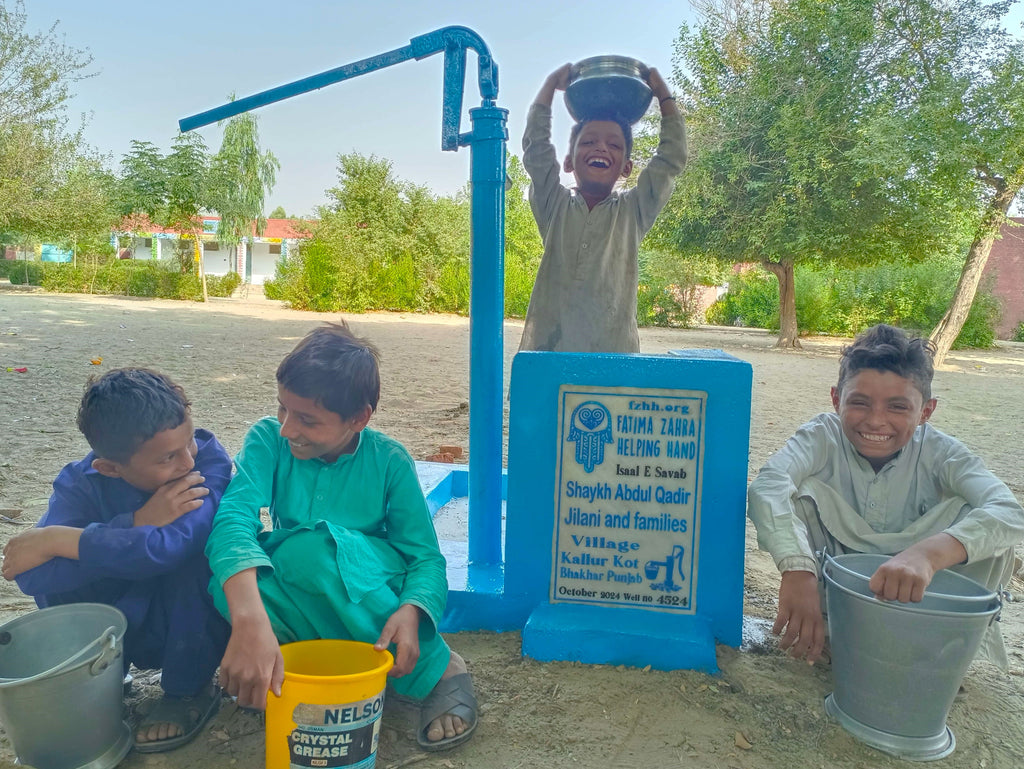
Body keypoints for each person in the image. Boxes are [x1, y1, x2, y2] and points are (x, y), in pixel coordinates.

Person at [206, 322, 478, 751]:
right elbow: (233, 521)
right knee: (228, 585)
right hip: (302, 571)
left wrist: (411, 611)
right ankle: (304, 669)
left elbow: (425, 558)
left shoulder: (389, 462)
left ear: (359, 418)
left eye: (307, 419)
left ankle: (441, 667)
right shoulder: (267, 440)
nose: (286, 429)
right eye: (282, 409)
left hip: (369, 581)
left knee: (312, 553)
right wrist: (249, 620)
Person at [747, 324, 1024, 666]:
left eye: (897, 407)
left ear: (926, 411)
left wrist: (927, 555)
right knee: (797, 492)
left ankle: (938, 650)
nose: (876, 421)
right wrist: (797, 568)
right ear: (836, 400)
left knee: (987, 528)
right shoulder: (821, 437)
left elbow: (1008, 512)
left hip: (921, 592)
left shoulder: (943, 453)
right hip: (838, 581)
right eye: (860, 403)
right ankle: (831, 634)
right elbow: (769, 484)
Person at [2, 368, 232, 752]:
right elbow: (32, 576)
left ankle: (186, 691)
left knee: (199, 556)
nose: (187, 463)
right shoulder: (79, 483)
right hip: (112, 629)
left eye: (188, 442)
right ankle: (104, 676)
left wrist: (61, 540)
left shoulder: (207, 461)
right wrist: (136, 525)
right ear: (110, 467)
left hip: (179, 624)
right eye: (168, 458)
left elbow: (168, 548)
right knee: (59, 584)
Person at [518, 63, 688, 353]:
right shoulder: (553, 205)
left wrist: (663, 95)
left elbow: (671, 157)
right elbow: (537, 150)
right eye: (589, 142)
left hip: (615, 360)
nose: (601, 149)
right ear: (569, 161)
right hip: (549, 353)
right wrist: (549, 86)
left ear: (626, 167)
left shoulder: (634, 211)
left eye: (614, 145)